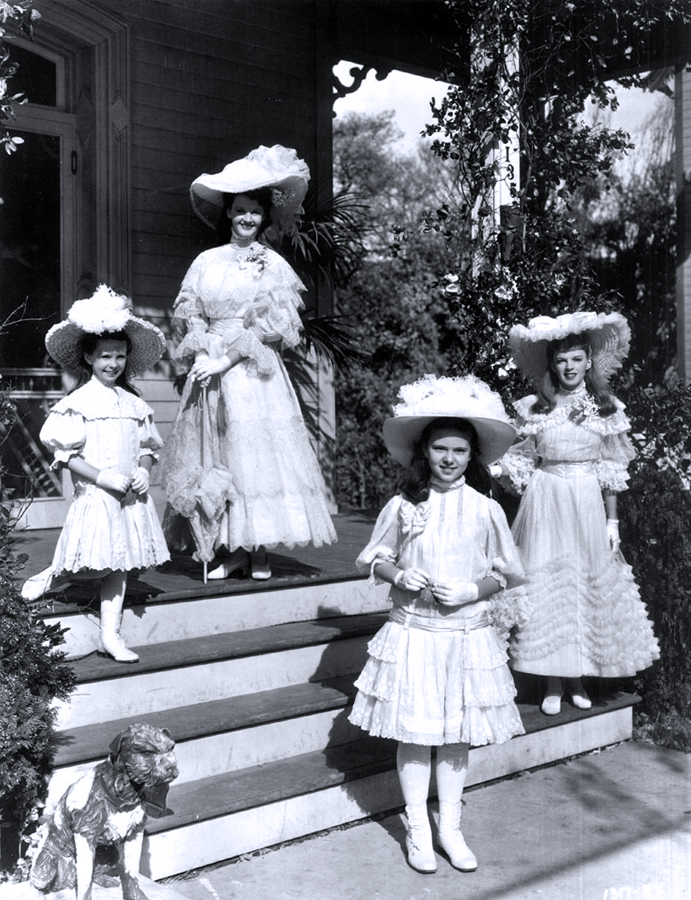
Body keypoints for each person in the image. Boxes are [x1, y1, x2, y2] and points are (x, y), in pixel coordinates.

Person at [348, 374, 526, 875]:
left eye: (459, 451)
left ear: (473, 457)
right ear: (424, 452)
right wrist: (398, 574)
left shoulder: (486, 509)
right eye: (440, 449)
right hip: (415, 633)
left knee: (454, 735)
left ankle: (450, 826)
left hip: (464, 635)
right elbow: (374, 558)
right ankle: (417, 828)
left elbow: (507, 572)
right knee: (415, 731)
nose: (449, 459)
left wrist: (474, 590)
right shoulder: (404, 506)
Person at [161, 144, 336, 581]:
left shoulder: (271, 264)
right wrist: (204, 351)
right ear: (228, 213)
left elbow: (269, 327)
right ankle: (231, 548)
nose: (247, 219)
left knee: (252, 457)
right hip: (209, 365)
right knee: (216, 454)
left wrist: (227, 360)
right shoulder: (206, 261)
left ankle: (257, 550)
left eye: (255, 212)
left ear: (264, 217)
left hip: (251, 370)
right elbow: (191, 311)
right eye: (240, 210)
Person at [496, 312, 659, 715]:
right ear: (552, 365)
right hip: (547, 497)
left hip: (586, 499)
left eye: (576, 359)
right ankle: (553, 681)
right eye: (561, 360)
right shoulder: (535, 407)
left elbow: (611, 470)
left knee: (584, 586)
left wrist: (612, 521)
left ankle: (578, 678)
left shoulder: (606, 407)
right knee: (549, 586)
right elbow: (522, 459)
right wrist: (499, 469)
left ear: (589, 362)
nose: (569, 367)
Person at [20, 285, 170, 663]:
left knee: (118, 565)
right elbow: (66, 454)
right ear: (89, 357)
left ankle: (110, 635)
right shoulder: (78, 403)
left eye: (120, 356)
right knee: (87, 562)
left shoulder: (134, 403)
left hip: (128, 497)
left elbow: (147, 448)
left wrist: (143, 471)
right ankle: (52, 574)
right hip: (97, 494)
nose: (113, 364)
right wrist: (102, 477)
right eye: (105, 356)